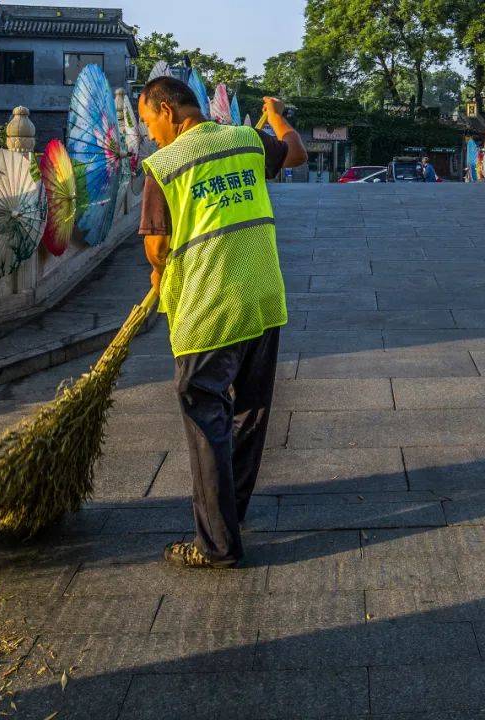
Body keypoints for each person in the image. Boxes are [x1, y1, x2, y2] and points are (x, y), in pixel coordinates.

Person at [136, 77, 308, 569]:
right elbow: (295, 153)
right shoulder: (246, 140)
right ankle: (232, 513)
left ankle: (216, 545)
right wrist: (273, 114)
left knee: (205, 418)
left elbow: (157, 246)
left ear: (167, 110)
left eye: (149, 121)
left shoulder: (163, 167)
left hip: (208, 309)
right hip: (261, 297)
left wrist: (156, 271)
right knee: (248, 413)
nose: (150, 134)